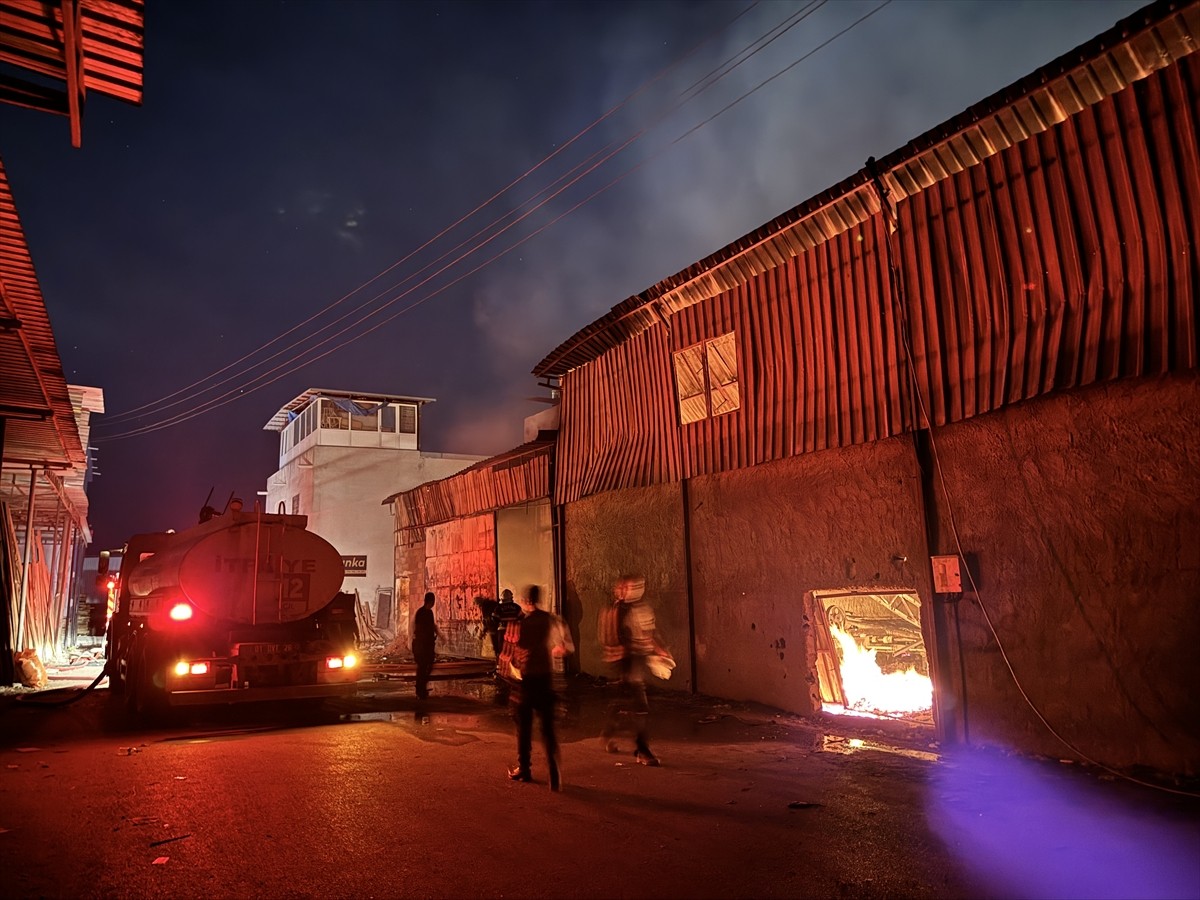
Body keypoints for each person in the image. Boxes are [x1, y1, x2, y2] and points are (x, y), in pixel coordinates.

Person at [598, 574, 668, 767]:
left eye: (639, 586)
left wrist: (659, 651)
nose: (636, 589)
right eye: (631, 586)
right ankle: (642, 749)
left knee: (622, 699)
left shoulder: (642, 609)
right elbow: (616, 637)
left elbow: (649, 633)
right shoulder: (617, 610)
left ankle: (610, 731)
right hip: (626, 663)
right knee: (639, 706)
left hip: (636, 660)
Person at [507, 585, 573, 791]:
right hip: (546, 681)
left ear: (526, 601)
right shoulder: (552, 620)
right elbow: (566, 648)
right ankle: (554, 771)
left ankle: (524, 769)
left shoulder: (520, 624)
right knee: (547, 730)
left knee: (524, 728)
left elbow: (513, 656)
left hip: (526, 683)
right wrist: (553, 651)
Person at [412, 591, 439, 701]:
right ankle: (420, 690)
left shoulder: (429, 613)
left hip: (427, 644)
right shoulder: (422, 613)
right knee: (422, 667)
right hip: (422, 645)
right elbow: (419, 629)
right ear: (431, 601)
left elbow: (432, 626)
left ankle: (421, 688)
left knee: (427, 666)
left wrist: (435, 635)